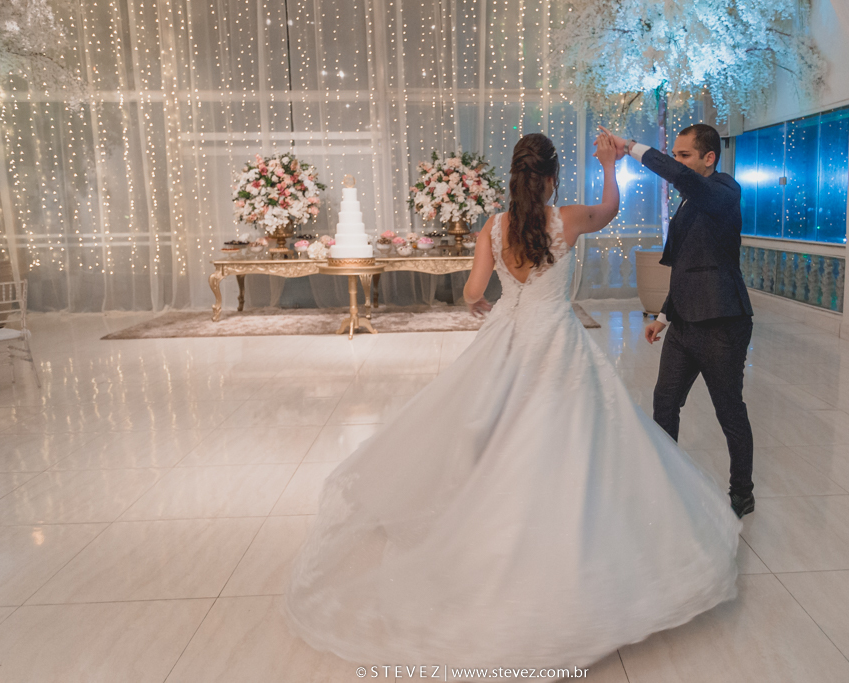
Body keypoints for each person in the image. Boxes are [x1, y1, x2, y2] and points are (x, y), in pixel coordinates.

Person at [283, 131, 741, 675]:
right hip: (558, 343)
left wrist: (486, 305)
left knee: (500, 432)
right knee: (570, 437)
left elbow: (474, 291)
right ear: (550, 178)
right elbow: (610, 210)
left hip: (508, 338)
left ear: (514, 177)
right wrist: (608, 165)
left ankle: (489, 535)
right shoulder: (567, 219)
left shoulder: (493, 227)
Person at [601, 124, 756, 518]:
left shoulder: (723, 190)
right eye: (676, 154)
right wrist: (664, 315)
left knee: (729, 410)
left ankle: (742, 492)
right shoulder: (690, 199)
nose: (677, 162)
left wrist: (631, 147)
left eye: (684, 155)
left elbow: (679, 176)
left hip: (722, 322)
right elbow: (688, 266)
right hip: (684, 322)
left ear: (709, 159)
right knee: (665, 404)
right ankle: (666, 479)